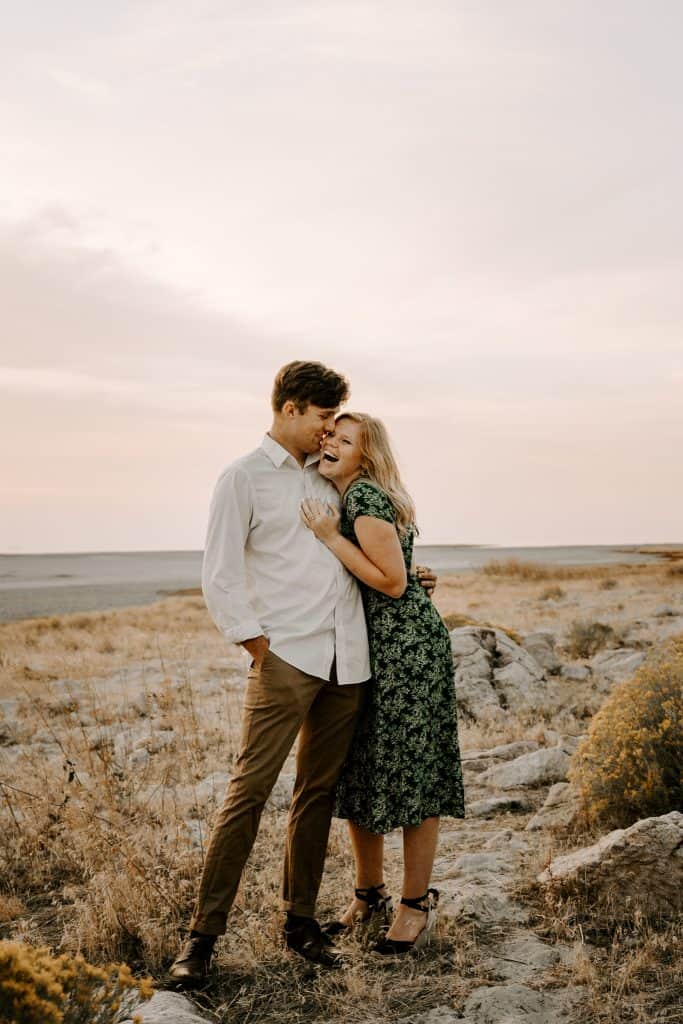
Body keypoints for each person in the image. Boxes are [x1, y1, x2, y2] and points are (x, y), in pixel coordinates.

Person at [169, 363, 436, 984]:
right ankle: (200, 940)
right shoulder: (244, 477)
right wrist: (256, 644)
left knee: (317, 795)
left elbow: (372, 552)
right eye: (321, 418)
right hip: (287, 656)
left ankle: (301, 924)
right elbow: (220, 570)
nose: (326, 432)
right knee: (249, 793)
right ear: (290, 408)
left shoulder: (335, 479)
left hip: (349, 660)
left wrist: (414, 577)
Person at [300, 412, 465, 955]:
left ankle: (414, 904)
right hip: (370, 651)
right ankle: (367, 893)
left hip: (406, 655)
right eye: (330, 434)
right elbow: (401, 571)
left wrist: (328, 537)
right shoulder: (355, 497)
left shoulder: (363, 498)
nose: (331, 443)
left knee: (414, 775)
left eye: (345, 440)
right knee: (362, 771)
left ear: (365, 458)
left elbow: (393, 584)